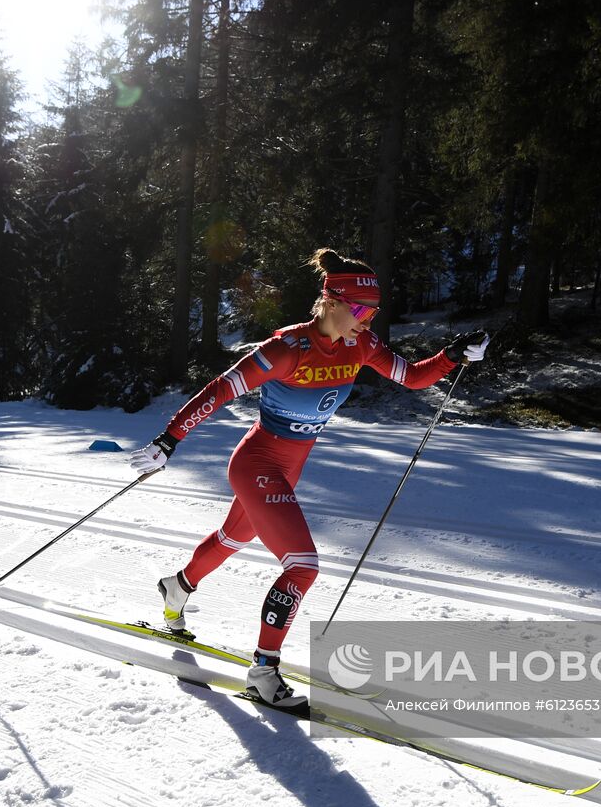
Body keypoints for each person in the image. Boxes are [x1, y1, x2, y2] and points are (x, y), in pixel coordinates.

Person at [129, 249, 489, 708]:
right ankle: (262, 672)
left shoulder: (363, 346)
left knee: (232, 537)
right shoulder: (286, 349)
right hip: (257, 464)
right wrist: (169, 439)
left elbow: (414, 378)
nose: (368, 319)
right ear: (331, 301)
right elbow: (222, 388)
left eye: (373, 311)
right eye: (361, 310)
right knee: (302, 565)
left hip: (288, 468)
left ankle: (177, 586)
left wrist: (452, 355)